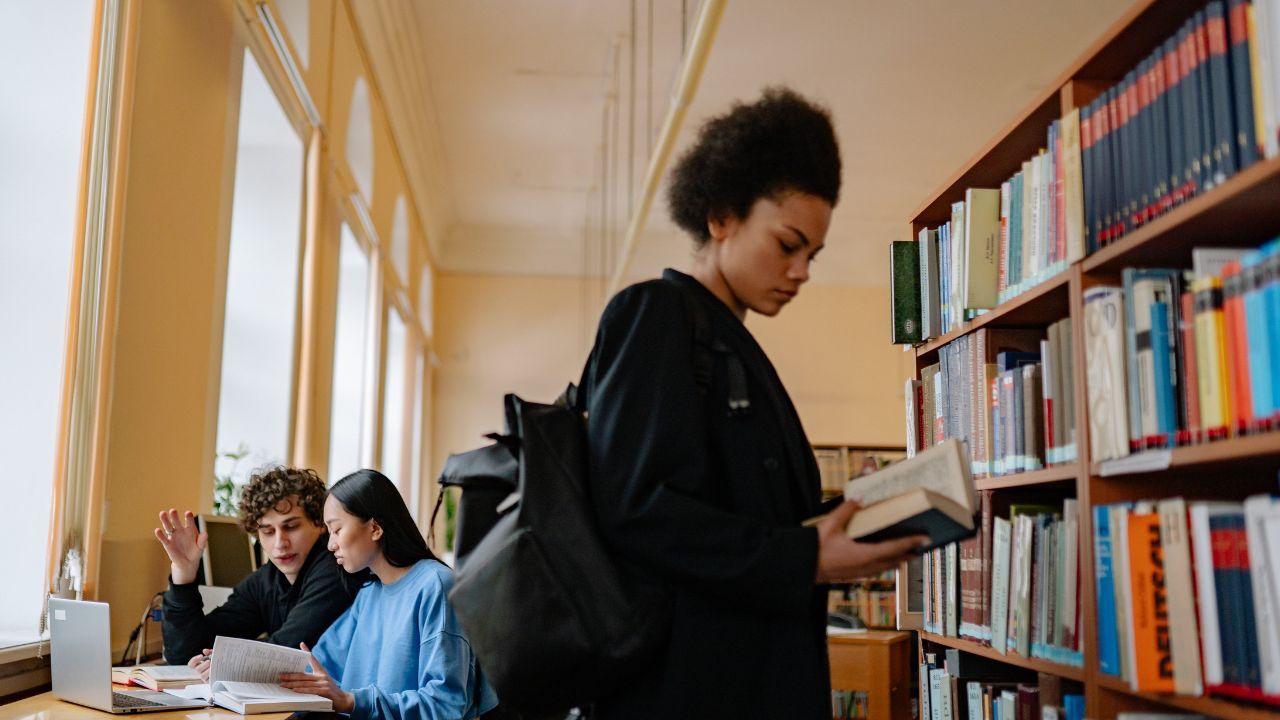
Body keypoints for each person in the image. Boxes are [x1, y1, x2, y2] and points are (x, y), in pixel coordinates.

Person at [581, 87, 928, 718]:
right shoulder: (657, 317)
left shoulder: (730, 345)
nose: (801, 272)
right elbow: (639, 510)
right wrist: (807, 555)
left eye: (812, 255)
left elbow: (732, 511)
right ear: (721, 216)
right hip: (683, 689)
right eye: (788, 243)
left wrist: (843, 516)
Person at [279, 469, 498, 720]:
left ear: (374, 528)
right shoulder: (369, 594)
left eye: (337, 530)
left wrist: (351, 701)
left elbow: (444, 705)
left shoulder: (436, 585)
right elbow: (319, 667)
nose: (331, 545)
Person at [155, 466, 362, 672]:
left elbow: (286, 652)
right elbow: (184, 653)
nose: (280, 543)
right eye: (268, 531)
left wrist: (223, 663)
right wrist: (184, 574)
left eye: (291, 527)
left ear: (319, 523)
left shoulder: (336, 568)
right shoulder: (265, 580)